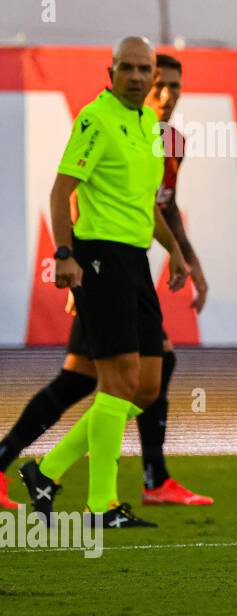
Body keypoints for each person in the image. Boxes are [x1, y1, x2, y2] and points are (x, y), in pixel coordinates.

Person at [0, 53, 212, 510]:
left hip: (129, 267)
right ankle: (132, 484)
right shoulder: (107, 123)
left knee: (92, 379)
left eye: (175, 85)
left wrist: (186, 260)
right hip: (98, 267)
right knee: (106, 380)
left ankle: (37, 470)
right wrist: (73, 264)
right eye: (160, 83)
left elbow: (161, 208)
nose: (167, 94)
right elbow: (74, 196)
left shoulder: (169, 142)